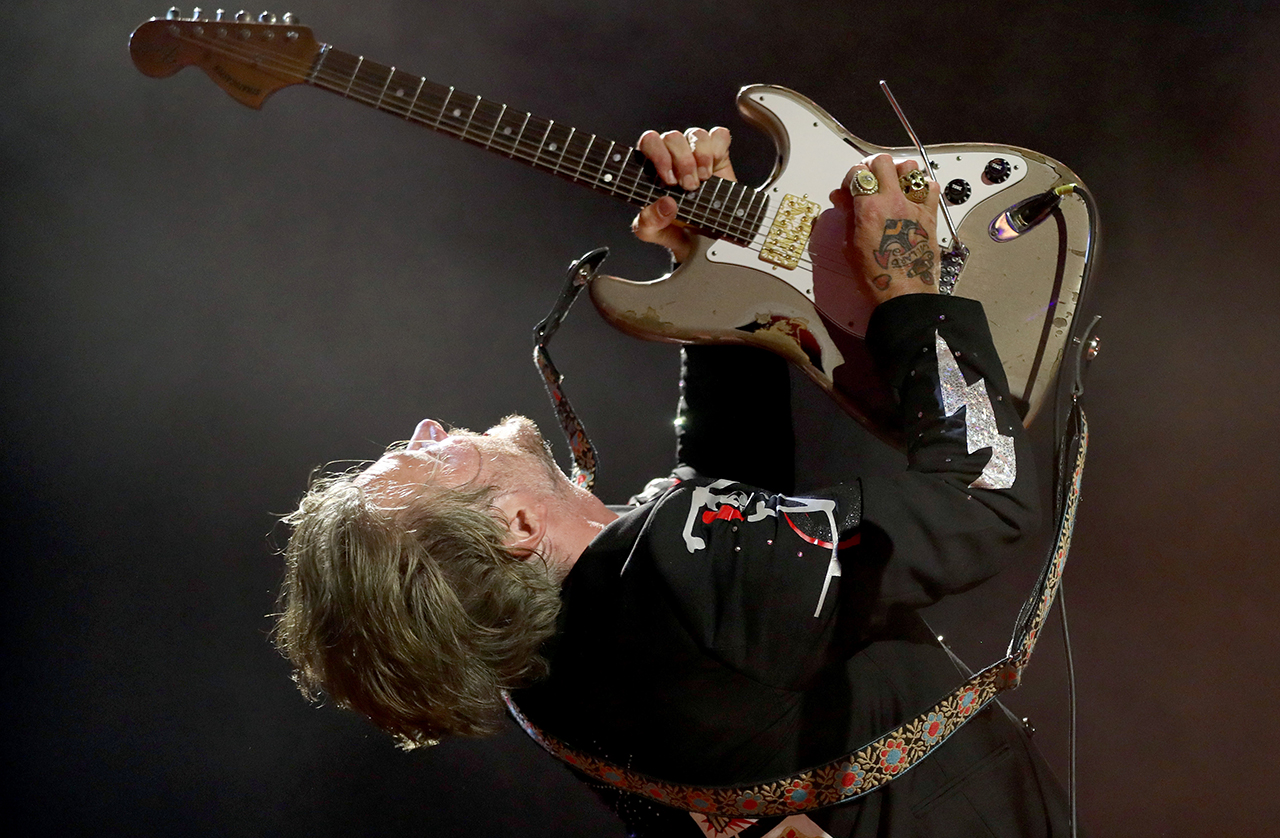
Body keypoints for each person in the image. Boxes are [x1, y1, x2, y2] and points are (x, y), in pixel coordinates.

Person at [274, 127, 1072, 837]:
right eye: (428, 460)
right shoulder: (677, 573)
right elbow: (980, 500)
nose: (427, 429)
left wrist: (712, 275)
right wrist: (913, 290)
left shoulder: (548, 682)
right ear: (515, 528)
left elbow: (729, 500)